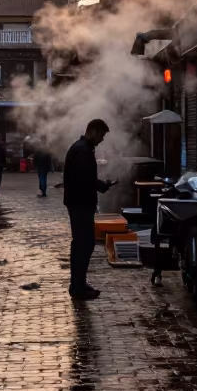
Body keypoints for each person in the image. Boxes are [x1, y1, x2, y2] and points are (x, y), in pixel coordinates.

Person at [63, 118, 113, 300]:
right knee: (84, 244)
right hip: (80, 203)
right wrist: (102, 185)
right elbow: (86, 180)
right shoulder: (83, 150)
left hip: (78, 202)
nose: (102, 139)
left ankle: (78, 283)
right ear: (93, 131)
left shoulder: (82, 148)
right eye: (101, 135)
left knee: (81, 244)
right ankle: (77, 286)